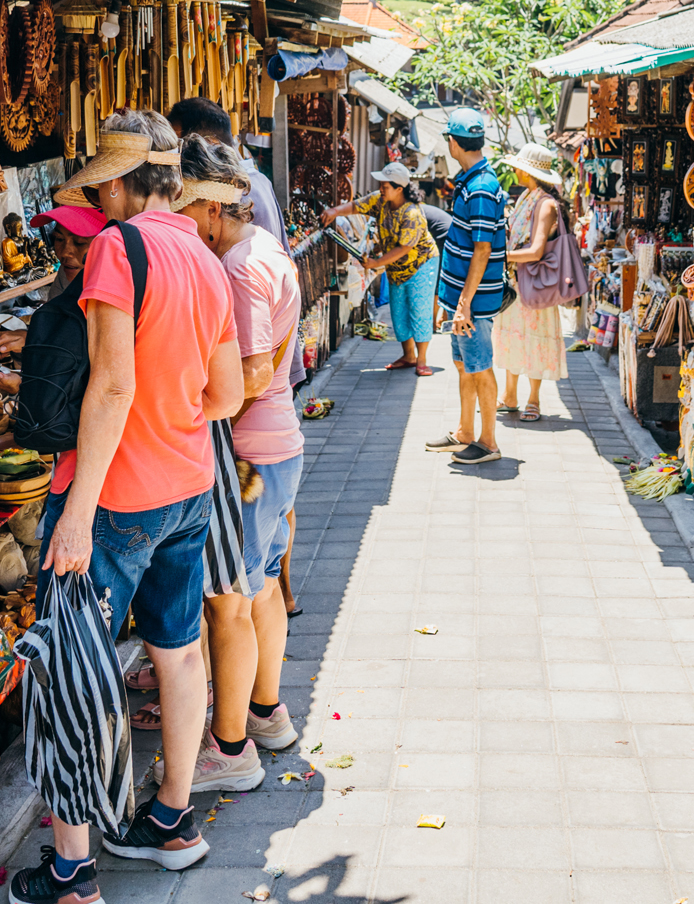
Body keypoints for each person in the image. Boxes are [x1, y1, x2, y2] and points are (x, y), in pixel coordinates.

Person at [11, 112, 243, 904]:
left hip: (113, 497)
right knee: (177, 652)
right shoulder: (203, 254)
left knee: (72, 667)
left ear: (114, 182)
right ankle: (173, 819)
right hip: (187, 490)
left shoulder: (122, 246)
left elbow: (112, 384)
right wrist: (171, 407)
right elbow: (227, 393)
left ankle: (73, 871)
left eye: (99, 185)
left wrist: (76, 511)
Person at [172, 137, 304, 792]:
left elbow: (250, 370)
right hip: (279, 444)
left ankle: (230, 749)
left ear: (213, 207)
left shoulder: (240, 265)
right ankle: (266, 711)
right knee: (262, 587)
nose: (183, 222)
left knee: (233, 599)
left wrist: (190, 396)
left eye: (187, 205)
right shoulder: (265, 249)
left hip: (250, 450)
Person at [0, 199, 110, 397]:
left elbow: (94, 368)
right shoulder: (67, 274)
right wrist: (28, 347)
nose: (64, 252)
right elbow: (59, 332)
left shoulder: (112, 289)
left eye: (80, 242)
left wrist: (33, 351)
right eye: (59, 239)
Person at [426, 107, 507, 465]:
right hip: (463, 295)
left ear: (453, 143)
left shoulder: (480, 187)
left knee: (479, 365)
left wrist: (464, 303)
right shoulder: (471, 180)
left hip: (472, 300)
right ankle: (464, 432)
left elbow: (483, 248)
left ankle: (488, 442)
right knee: (464, 364)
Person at [321, 162, 439, 375]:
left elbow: (405, 247)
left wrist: (376, 263)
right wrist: (334, 211)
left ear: (399, 189)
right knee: (398, 311)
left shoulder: (412, 214)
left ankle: (421, 360)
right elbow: (357, 206)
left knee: (419, 309)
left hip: (420, 264)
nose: (381, 189)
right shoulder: (381, 200)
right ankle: (408, 356)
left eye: (385, 186)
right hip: (395, 266)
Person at [494, 142, 570, 421]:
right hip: (519, 281)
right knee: (513, 336)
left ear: (527, 171)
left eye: (518, 166)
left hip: (535, 283)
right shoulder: (527, 197)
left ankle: (533, 399)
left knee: (534, 338)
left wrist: (501, 256)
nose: (514, 170)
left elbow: (537, 250)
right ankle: (510, 395)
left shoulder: (545, 204)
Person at [168, 97, 286, 254]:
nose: (176, 157)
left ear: (209, 144)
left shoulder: (231, 193)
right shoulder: (260, 181)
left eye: (181, 147)